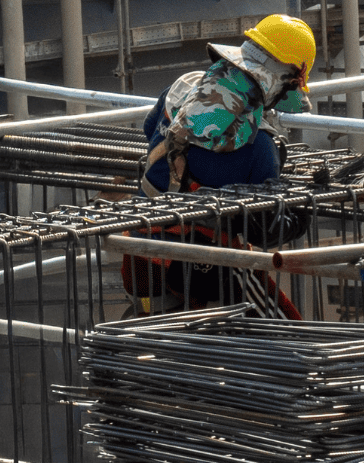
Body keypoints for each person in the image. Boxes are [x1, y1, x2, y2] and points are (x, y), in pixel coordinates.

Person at [121, 16, 315, 314]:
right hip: (199, 272)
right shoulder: (259, 143)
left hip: (138, 257)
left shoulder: (182, 87)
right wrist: (304, 208)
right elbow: (265, 231)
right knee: (287, 327)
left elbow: (150, 130)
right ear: (287, 82)